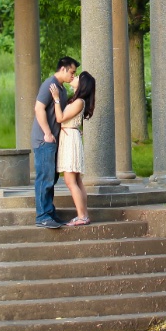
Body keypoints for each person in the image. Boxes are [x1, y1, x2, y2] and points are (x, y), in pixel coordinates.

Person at [32, 56, 78, 229]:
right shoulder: (49, 84)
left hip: (54, 140)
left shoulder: (61, 89)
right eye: (72, 72)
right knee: (44, 177)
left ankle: (50, 213)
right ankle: (42, 216)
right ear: (63, 69)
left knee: (51, 177)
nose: (73, 75)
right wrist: (47, 133)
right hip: (44, 139)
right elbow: (38, 108)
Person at [52, 70, 95, 227]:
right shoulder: (79, 101)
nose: (74, 78)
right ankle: (84, 214)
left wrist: (56, 99)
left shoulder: (79, 101)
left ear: (82, 84)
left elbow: (60, 118)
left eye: (77, 77)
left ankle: (82, 216)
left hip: (70, 140)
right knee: (76, 181)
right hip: (71, 136)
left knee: (71, 181)